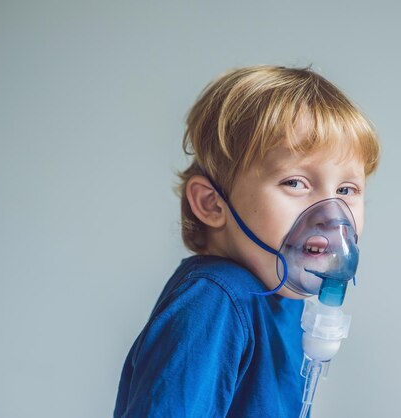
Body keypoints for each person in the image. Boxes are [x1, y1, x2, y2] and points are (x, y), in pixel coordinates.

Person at [114, 65, 380, 417]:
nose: (331, 214)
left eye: (346, 190)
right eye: (296, 182)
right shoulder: (216, 300)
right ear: (212, 203)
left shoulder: (284, 299)